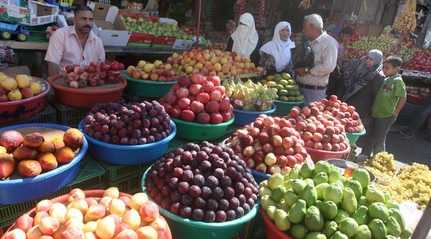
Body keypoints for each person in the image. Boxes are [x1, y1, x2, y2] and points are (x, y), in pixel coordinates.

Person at [362, 56, 407, 157]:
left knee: (379, 138)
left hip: (386, 114)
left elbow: (403, 97)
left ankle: (380, 159)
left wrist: (396, 112)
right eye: (384, 67)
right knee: (370, 135)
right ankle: (365, 154)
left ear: (397, 69)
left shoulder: (397, 81)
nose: (384, 70)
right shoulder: (387, 79)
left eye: (387, 68)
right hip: (376, 113)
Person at [45, 5, 105, 76]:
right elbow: (53, 64)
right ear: (74, 20)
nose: (87, 23)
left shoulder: (98, 42)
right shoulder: (60, 35)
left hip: (89, 83)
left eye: (91, 19)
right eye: (84, 19)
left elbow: (101, 68)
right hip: (63, 82)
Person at [342, 50, 385, 147]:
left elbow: (376, 95)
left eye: (372, 60)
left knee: (354, 128)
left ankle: (352, 147)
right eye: (368, 58)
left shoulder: (378, 76)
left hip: (363, 105)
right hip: (350, 100)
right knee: (344, 124)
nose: (368, 61)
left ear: (378, 61)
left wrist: (372, 110)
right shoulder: (359, 67)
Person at [295, 14, 338, 105]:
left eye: (305, 27)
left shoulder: (329, 43)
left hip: (314, 92)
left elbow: (328, 67)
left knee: (310, 118)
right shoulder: (307, 41)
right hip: (298, 89)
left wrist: (307, 70)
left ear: (312, 26)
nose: (303, 30)